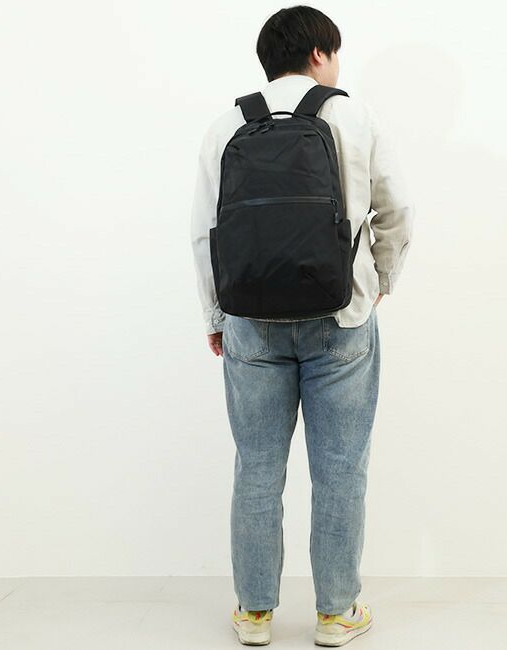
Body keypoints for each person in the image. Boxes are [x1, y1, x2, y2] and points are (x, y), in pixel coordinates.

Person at [190, 5, 413, 646]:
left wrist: (216, 315)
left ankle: (255, 614)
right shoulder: (355, 116)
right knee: (340, 469)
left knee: (257, 468)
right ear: (319, 53)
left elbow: (205, 232)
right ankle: (336, 613)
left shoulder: (227, 124)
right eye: (334, 53)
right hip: (342, 317)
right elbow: (397, 210)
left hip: (250, 321)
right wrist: (380, 280)